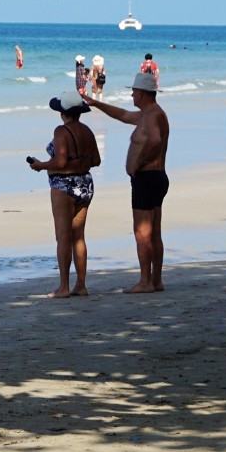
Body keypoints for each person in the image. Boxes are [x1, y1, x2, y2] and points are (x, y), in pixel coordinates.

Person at [84, 71, 172, 293]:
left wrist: (137, 163)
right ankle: (156, 281)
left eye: (133, 92)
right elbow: (122, 114)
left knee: (142, 232)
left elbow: (154, 140)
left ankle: (145, 282)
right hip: (156, 177)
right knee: (154, 232)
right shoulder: (148, 114)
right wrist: (96, 103)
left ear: (142, 93)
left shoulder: (151, 116)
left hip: (148, 177)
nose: (132, 95)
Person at [28, 94, 101, 297]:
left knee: (63, 237)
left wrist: (41, 165)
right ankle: (81, 285)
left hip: (64, 185)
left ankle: (63, 287)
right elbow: (96, 160)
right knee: (78, 236)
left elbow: (59, 163)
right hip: (85, 184)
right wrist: (78, 161)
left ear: (63, 113)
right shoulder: (87, 131)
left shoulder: (61, 131)